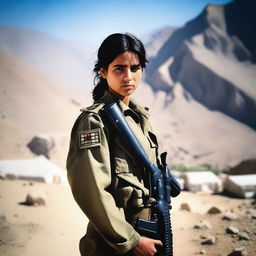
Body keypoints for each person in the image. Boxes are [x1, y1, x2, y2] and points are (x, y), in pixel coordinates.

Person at [66, 33, 163, 256]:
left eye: (135, 68)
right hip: (114, 245)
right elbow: (91, 190)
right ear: (103, 71)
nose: (128, 76)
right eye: (119, 68)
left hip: (147, 232)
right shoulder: (95, 121)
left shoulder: (138, 117)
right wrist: (130, 240)